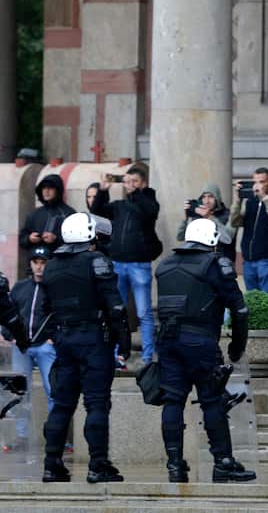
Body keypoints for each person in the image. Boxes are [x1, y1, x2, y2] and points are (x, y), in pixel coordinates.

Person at [154, 217, 254, 483]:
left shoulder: (165, 265)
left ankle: (175, 465)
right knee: (212, 401)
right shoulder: (215, 264)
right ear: (211, 240)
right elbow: (240, 309)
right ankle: (223, 462)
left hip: (168, 342)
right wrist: (237, 346)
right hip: (200, 342)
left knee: (173, 402)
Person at [39, 212, 129, 483]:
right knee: (97, 404)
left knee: (62, 405)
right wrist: (123, 342)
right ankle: (97, 465)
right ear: (89, 236)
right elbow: (115, 306)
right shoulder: (97, 260)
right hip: (93, 340)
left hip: (65, 341)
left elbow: (46, 308)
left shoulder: (52, 264)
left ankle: (51, 464)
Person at [88, 163, 161, 366]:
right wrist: (103, 190)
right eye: (127, 181)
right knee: (116, 310)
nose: (129, 185)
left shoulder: (149, 202)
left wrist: (139, 192)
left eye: (134, 182)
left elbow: (147, 212)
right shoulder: (120, 206)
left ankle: (147, 355)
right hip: (118, 264)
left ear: (143, 184)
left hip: (139, 265)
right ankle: (118, 353)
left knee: (143, 312)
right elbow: (97, 211)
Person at [3, 246, 71, 453]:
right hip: (21, 347)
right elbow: (6, 310)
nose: (39, 267)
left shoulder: (56, 288)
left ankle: (56, 437)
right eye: (36, 262)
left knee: (54, 392)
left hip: (45, 347)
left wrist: (53, 339)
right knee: (20, 393)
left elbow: (65, 315)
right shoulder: (20, 287)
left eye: (43, 262)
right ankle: (22, 437)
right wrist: (10, 335)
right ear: (31, 264)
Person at [231, 167, 268, 292]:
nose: (259, 186)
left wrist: (266, 199)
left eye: (262, 182)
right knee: (252, 300)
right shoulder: (250, 202)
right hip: (248, 261)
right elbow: (235, 221)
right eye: (256, 182)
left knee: (267, 299)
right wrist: (237, 200)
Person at [20, 175, 75, 258]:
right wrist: (29, 239)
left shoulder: (68, 214)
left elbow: (76, 241)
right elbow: (22, 239)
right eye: (44, 188)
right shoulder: (34, 214)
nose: (46, 191)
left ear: (58, 190)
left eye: (50, 188)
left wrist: (56, 239)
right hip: (36, 264)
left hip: (60, 264)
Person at [179, 183, 235, 262]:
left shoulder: (228, 215)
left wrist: (209, 217)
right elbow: (180, 237)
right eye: (204, 197)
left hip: (222, 261)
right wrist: (185, 219)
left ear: (217, 198)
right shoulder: (198, 215)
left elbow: (228, 239)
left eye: (210, 197)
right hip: (201, 260)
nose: (207, 201)